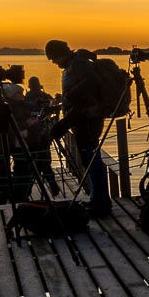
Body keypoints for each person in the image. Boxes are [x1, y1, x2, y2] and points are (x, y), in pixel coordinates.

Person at [45, 39, 110, 216]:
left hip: (87, 120)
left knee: (91, 158)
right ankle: (97, 198)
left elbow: (91, 83)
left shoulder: (80, 64)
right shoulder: (73, 65)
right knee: (89, 158)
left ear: (60, 54)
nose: (54, 63)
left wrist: (70, 98)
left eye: (54, 58)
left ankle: (102, 202)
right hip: (80, 119)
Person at [25, 76, 60, 195]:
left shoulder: (26, 98)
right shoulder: (46, 96)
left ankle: (28, 190)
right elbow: (54, 106)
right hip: (45, 133)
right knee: (45, 161)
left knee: (33, 163)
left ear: (29, 85)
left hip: (31, 135)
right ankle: (53, 186)